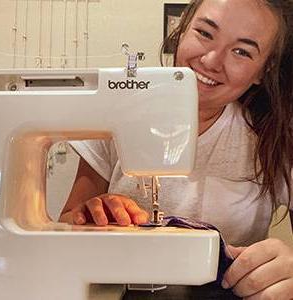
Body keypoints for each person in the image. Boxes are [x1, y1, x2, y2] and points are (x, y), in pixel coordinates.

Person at [60, 0, 293, 298]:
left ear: (264, 69)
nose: (211, 60)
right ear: (181, 31)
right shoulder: (116, 112)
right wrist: (86, 218)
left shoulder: (275, 140)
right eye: (205, 33)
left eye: (242, 51)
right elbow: (67, 222)